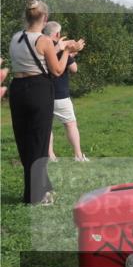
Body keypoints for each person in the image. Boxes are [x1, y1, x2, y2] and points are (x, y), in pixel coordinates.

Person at [7, 0, 85, 205]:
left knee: (25, 142)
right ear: (45, 18)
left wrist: (57, 46)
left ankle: (41, 189)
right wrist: (67, 51)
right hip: (38, 90)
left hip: (17, 90)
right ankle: (37, 195)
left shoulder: (15, 38)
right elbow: (58, 70)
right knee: (40, 143)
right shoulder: (43, 41)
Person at [42, 21, 88, 162]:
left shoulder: (40, 47)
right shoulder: (62, 50)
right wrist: (71, 54)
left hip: (43, 94)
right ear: (57, 34)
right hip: (60, 95)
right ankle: (78, 155)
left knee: (47, 127)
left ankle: (51, 156)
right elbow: (74, 69)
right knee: (70, 124)